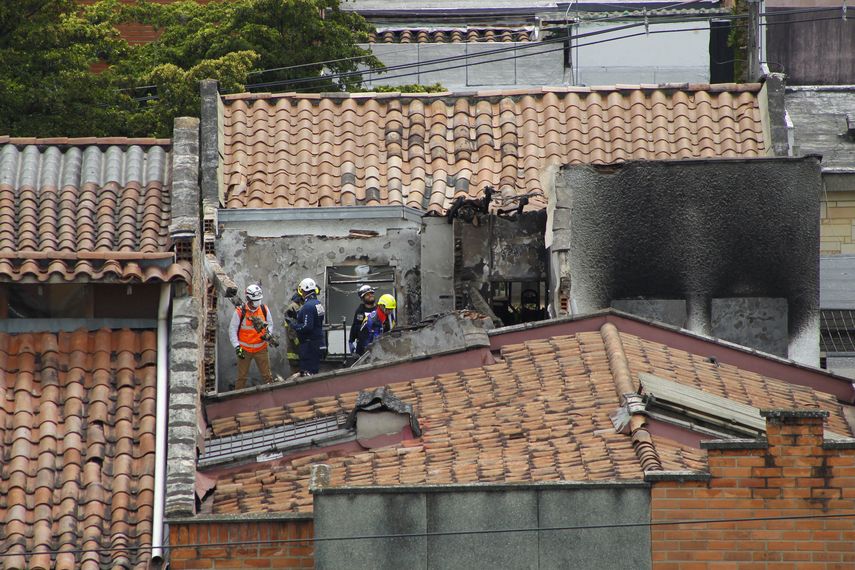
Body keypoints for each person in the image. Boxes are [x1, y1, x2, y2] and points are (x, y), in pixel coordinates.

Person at [228, 284, 274, 390]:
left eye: (259, 299)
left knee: (267, 376)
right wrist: (237, 346)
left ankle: (272, 396)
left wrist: (268, 335)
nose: (257, 302)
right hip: (244, 350)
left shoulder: (264, 309)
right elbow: (232, 330)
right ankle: (238, 399)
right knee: (241, 377)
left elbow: (270, 324)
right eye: (255, 300)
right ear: (248, 298)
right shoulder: (240, 312)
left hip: (261, 349)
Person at [289, 277, 326, 376]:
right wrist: (298, 316)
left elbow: (307, 327)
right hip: (317, 343)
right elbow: (315, 320)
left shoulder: (307, 306)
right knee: (314, 372)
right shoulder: (318, 304)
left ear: (303, 291)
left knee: (307, 374)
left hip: (309, 345)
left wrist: (294, 325)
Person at [349, 285, 376, 356]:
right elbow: (355, 326)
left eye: (371, 293)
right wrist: (351, 341)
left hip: (378, 344)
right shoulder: (360, 311)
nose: (370, 295)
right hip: (362, 346)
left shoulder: (379, 310)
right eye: (367, 294)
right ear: (362, 298)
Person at [283, 290, 303, 372]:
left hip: (293, 347)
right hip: (294, 348)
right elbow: (291, 330)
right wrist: (298, 343)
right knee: (296, 371)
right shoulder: (294, 307)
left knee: (296, 371)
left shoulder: (294, 306)